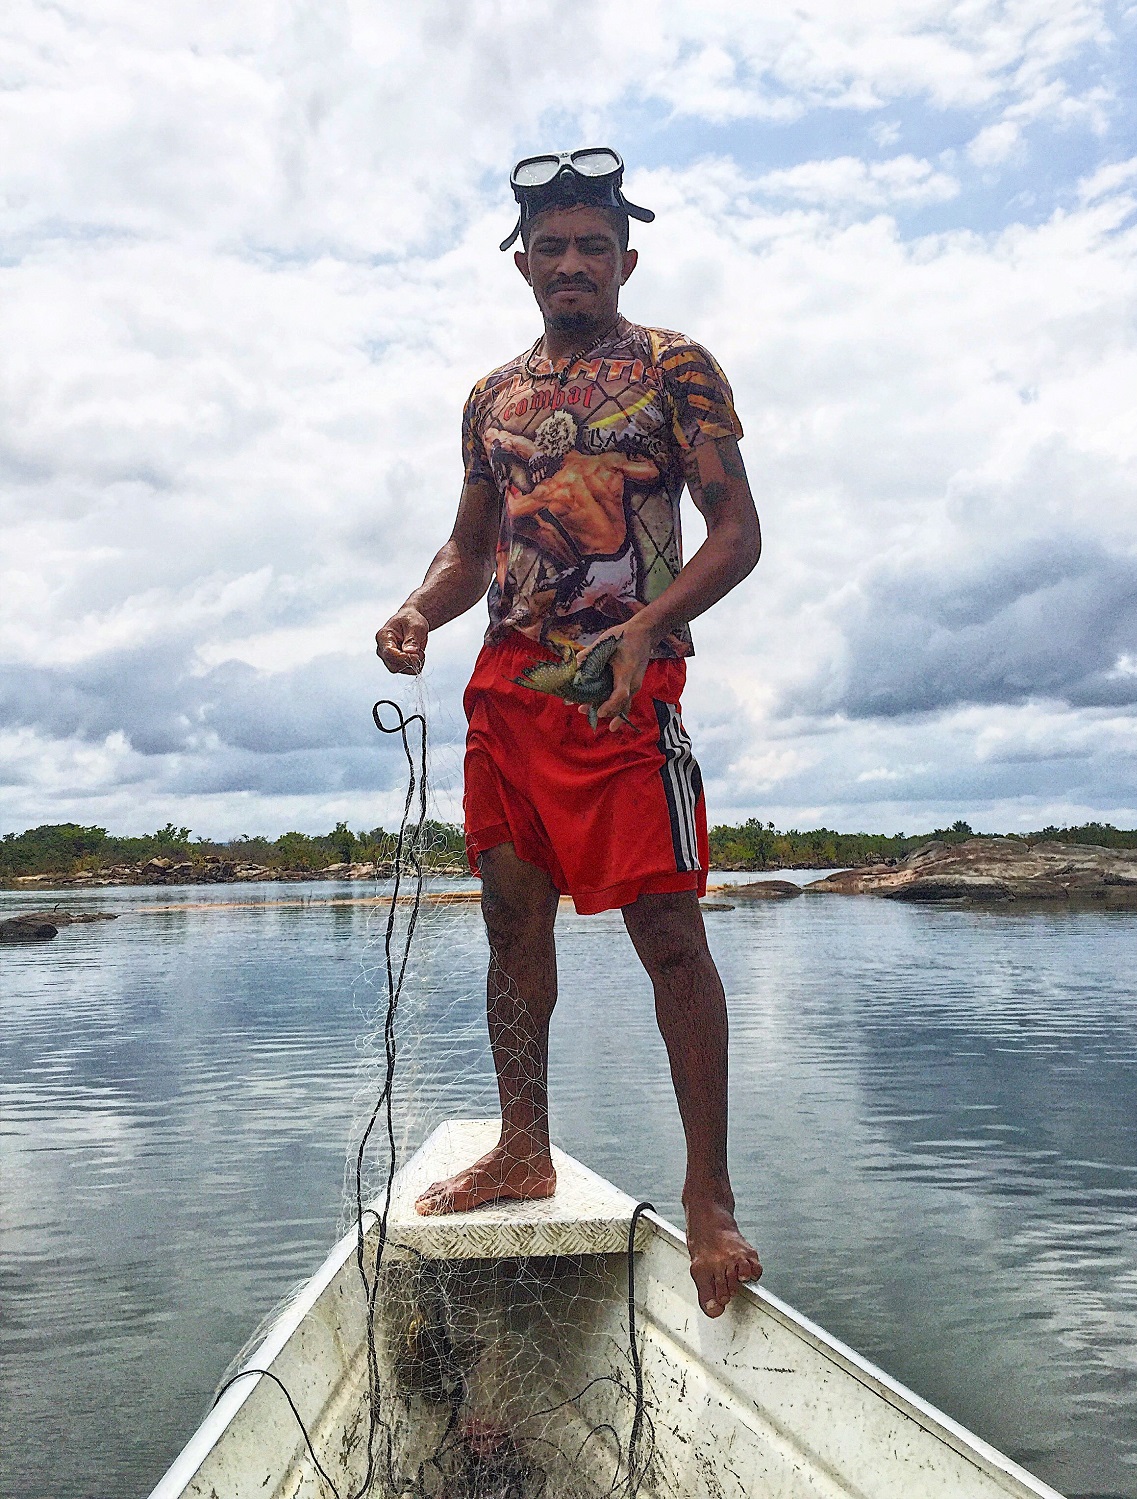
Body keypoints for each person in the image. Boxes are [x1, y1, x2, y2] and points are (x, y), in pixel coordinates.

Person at [376, 149, 762, 1318]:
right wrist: (415, 608)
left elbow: (736, 532)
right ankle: (522, 1146)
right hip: (508, 688)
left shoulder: (674, 368)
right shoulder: (489, 397)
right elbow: (467, 545)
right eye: (554, 249)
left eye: (595, 246)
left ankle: (710, 1194)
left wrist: (649, 625)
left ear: (626, 258)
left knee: (670, 935)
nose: (574, 264)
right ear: (524, 267)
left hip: (618, 687)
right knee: (508, 924)